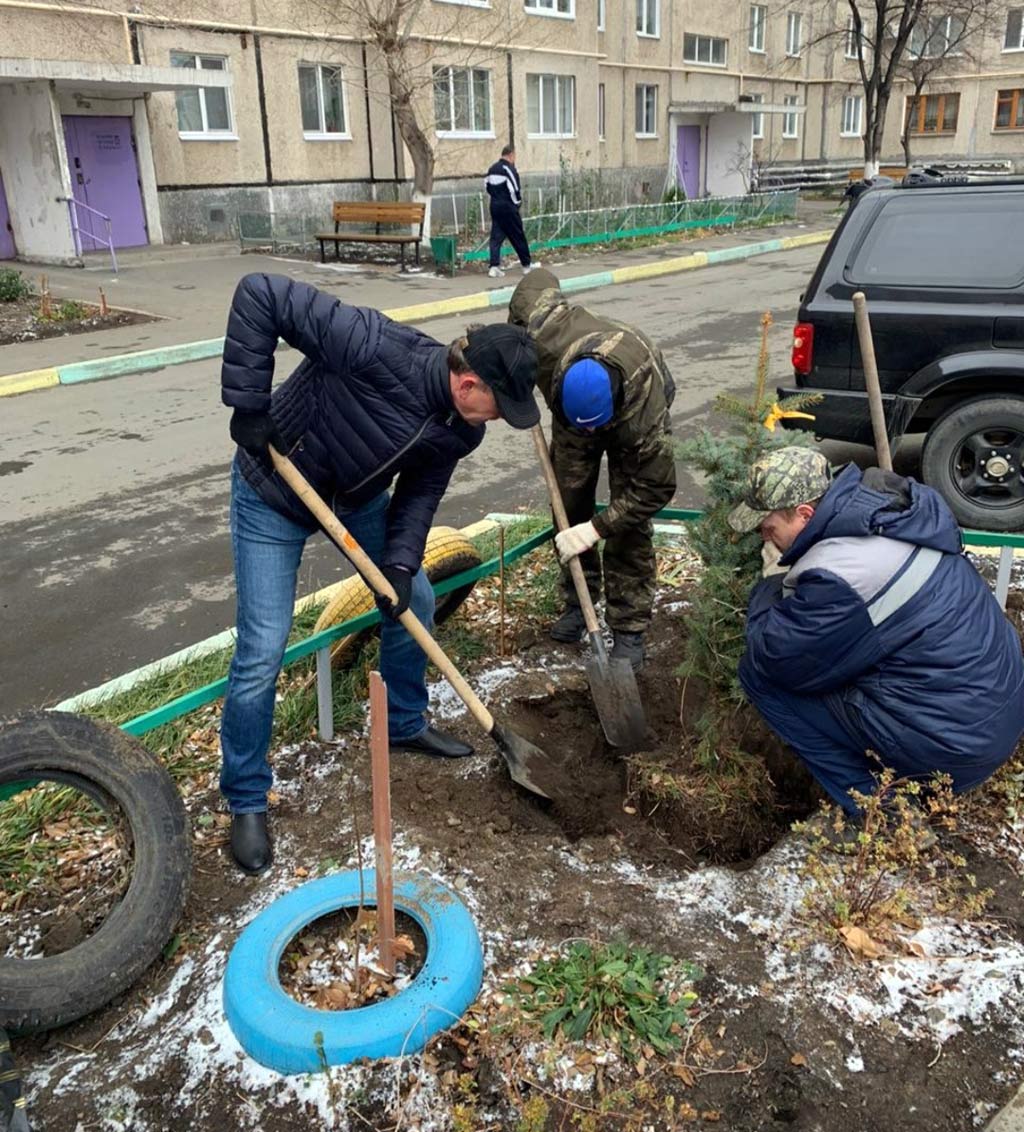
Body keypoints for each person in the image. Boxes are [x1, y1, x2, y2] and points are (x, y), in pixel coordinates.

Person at [219, 273, 539, 874]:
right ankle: (245, 796)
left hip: (354, 497)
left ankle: (402, 722)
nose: (495, 422)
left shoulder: (461, 430)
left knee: (412, 593)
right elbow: (259, 293)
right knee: (263, 646)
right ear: (469, 383)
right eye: (498, 407)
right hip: (275, 486)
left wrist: (395, 564)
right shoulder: (371, 344)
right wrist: (249, 405)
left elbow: (419, 496)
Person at [732, 447, 1024, 829]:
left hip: (955, 749)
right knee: (838, 661)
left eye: (768, 528)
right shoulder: (893, 512)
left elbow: (776, 657)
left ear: (804, 514)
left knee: (760, 677)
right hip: (996, 713)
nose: (762, 536)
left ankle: (884, 815)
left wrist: (771, 584)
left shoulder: (841, 573)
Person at [508, 268, 676, 671]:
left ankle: (629, 629)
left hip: (636, 397)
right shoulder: (545, 340)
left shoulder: (643, 420)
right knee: (566, 504)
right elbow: (536, 282)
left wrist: (597, 529)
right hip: (577, 408)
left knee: (626, 521)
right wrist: (508, 363)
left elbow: (654, 489)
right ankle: (578, 603)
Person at [485, 144, 533, 279]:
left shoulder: (492, 169)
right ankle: (526, 265)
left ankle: (494, 267)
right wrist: (517, 203)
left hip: (494, 206)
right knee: (517, 235)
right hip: (508, 207)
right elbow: (514, 189)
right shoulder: (508, 169)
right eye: (515, 156)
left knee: (496, 237)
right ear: (511, 155)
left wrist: (496, 197)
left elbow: (487, 186)